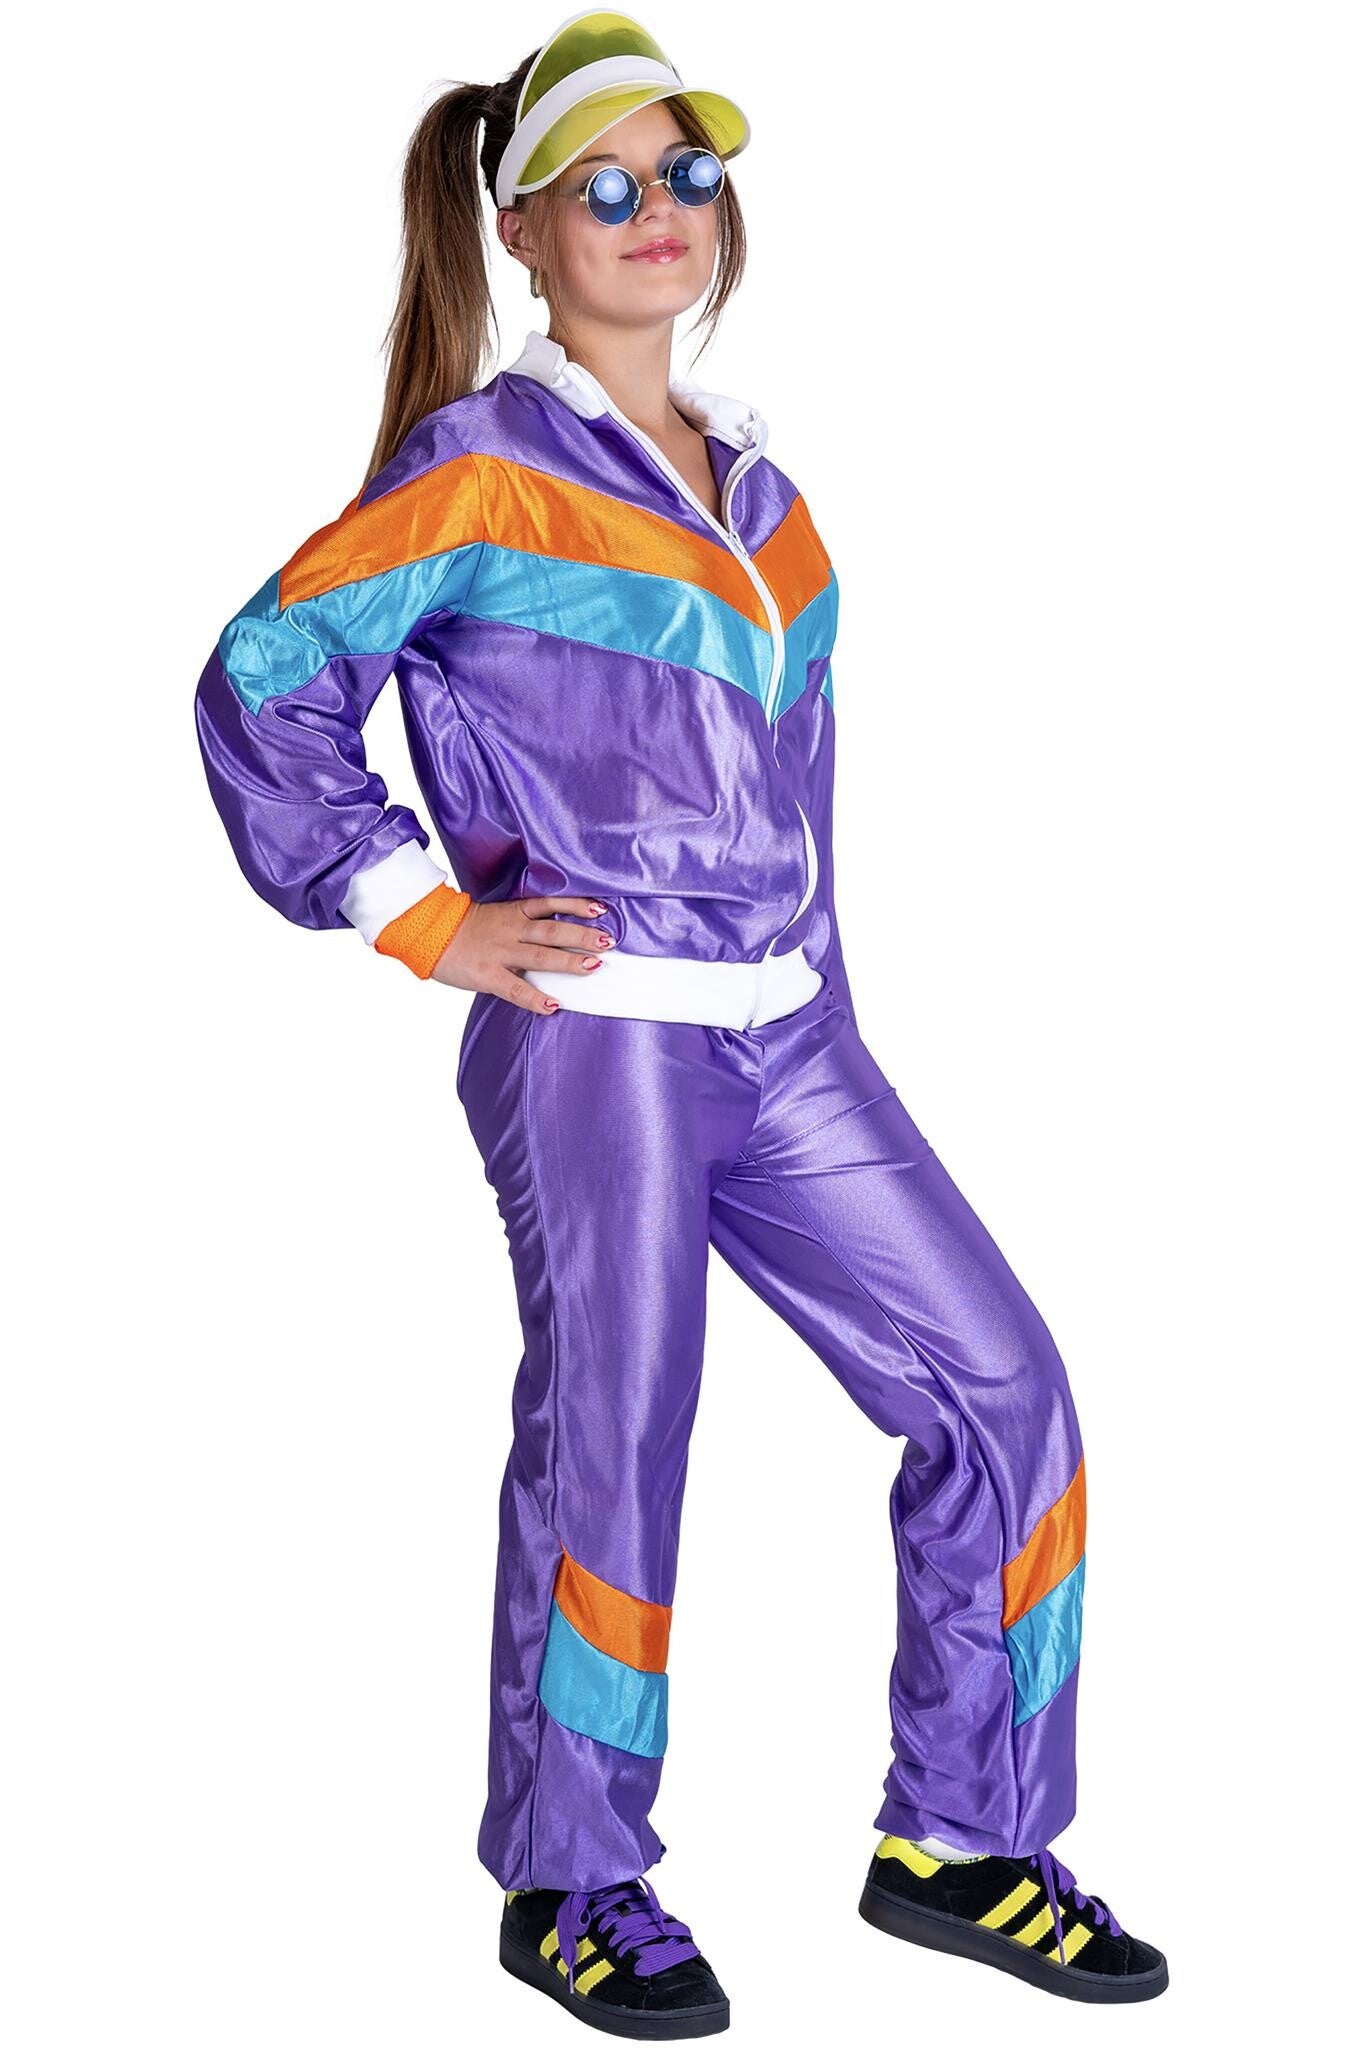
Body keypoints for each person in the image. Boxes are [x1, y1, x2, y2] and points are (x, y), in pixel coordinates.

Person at [193, 8, 1169, 2031]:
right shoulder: (478, 472)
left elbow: (788, 798)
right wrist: (415, 914)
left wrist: (821, 1013)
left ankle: (961, 1836)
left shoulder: (768, 496)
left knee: (1002, 1390)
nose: (659, 211)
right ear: (523, 232)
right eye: (607, 186)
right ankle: (571, 1880)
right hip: (599, 1040)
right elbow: (268, 670)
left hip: (788, 1037)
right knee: (615, 1440)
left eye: (688, 174)